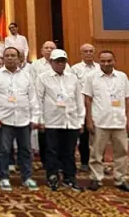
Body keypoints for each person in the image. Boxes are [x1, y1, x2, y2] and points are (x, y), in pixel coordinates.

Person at [0, 47, 40, 191]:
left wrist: (35, 117)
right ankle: (4, 178)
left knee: (25, 150)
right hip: (3, 119)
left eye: (13, 56)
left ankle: (27, 177)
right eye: (7, 56)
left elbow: (33, 98)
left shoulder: (26, 76)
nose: (10, 58)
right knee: (4, 150)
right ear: (3, 58)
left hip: (24, 119)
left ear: (19, 59)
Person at [36, 49, 84, 192]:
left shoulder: (73, 78)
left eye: (63, 61)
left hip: (71, 121)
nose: (60, 64)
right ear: (51, 62)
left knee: (69, 151)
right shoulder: (43, 78)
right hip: (52, 121)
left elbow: (79, 100)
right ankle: (52, 176)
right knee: (52, 150)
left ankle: (70, 177)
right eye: (57, 61)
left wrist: (80, 120)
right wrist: (40, 119)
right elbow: (38, 99)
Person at [83, 50, 129, 192]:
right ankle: (96, 178)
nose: (106, 63)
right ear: (99, 61)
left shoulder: (122, 77)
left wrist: (127, 118)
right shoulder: (91, 77)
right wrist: (89, 120)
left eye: (109, 60)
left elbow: (127, 99)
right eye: (103, 61)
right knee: (96, 152)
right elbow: (88, 100)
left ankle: (120, 179)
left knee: (122, 152)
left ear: (114, 61)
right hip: (100, 121)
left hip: (119, 120)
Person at [71, 43, 100, 171]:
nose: (88, 53)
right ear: (81, 54)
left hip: (98, 106)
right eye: (85, 51)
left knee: (99, 137)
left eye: (90, 51)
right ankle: (84, 162)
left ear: (94, 53)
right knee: (83, 136)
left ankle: (98, 162)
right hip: (82, 106)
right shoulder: (75, 69)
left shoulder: (99, 67)